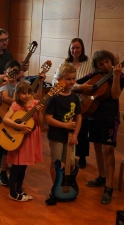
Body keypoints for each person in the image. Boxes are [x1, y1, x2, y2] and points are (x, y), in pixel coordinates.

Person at [74, 50, 124, 204]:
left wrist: (115, 76)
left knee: (108, 150)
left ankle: (109, 187)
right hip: (94, 115)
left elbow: (115, 95)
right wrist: (81, 88)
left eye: (107, 62)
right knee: (96, 146)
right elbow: (73, 85)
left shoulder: (120, 75)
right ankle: (101, 177)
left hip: (110, 118)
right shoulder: (93, 75)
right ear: (97, 66)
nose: (105, 66)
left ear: (111, 61)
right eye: (101, 64)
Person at [0, 28, 30, 169]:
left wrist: (20, 71)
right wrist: (9, 75)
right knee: (1, 130)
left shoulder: (8, 54)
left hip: (12, 94)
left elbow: (13, 71)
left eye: (6, 39)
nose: (5, 42)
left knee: (8, 131)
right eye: (2, 40)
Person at [52, 38, 94, 168]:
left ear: (82, 49)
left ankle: (81, 156)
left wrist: (82, 89)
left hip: (83, 100)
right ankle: (66, 153)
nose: (75, 50)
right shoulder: (65, 63)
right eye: (73, 48)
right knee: (67, 125)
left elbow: (93, 79)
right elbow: (55, 80)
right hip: (66, 99)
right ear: (70, 49)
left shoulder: (89, 63)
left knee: (82, 126)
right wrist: (77, 87)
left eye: (78, 48)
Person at [45, 64, 82, 205]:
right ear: (60, 79)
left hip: (71, 137)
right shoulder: (53, 97)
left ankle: (67, 185)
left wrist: (75, 135)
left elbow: (79, 117)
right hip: (56, 136)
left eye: (73, 79)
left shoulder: (75, 97)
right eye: (68, 79)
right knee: (56, 162)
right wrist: (65, 125)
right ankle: (55, 188)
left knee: (71, 163)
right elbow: (48, 118)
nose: (72, 82)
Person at [2, 81, 43, 202]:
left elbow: (40, 122)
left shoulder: (35, 104)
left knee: (23, 166)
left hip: (30, 138)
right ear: (17, 94)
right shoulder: (15, 105)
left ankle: (19, 189)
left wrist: (39, 111)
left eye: (29, 93)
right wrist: (18, 126)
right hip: (19, 138)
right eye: (23, 93)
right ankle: (12, 193)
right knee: (16, 166)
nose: (26, 96)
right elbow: (5, 119)